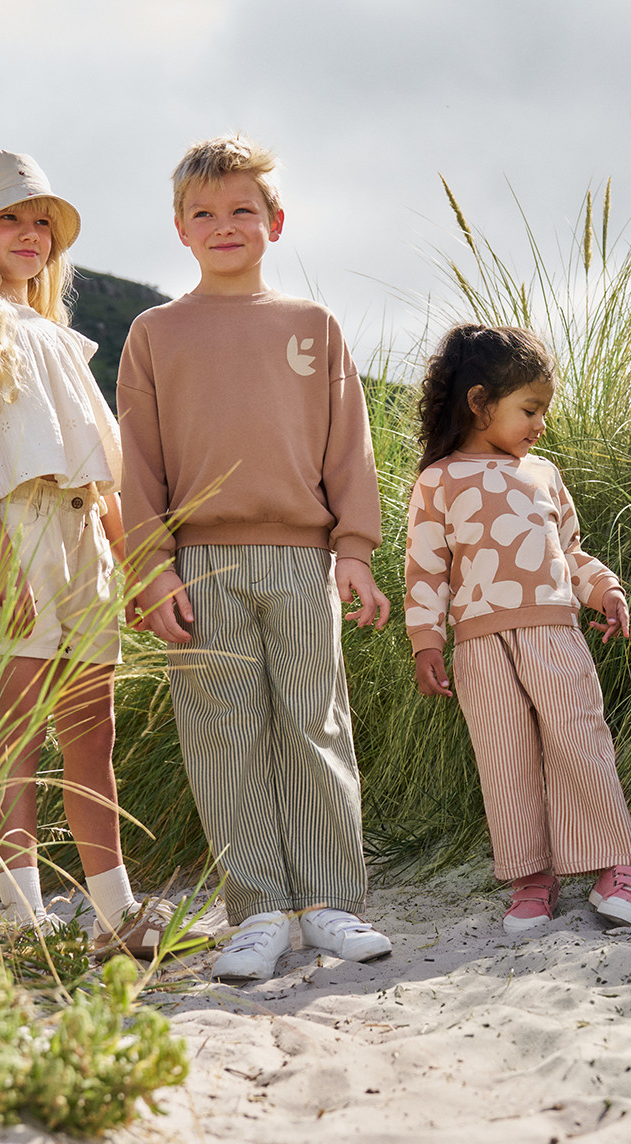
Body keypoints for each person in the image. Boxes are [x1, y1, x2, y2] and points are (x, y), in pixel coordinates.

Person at [0, 149, 208, 958]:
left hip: (82, 542)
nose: (31, 233)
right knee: (16, 738)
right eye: (11, 216)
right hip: (10, 534)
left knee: (92, 734)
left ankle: (116, 917)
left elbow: (100, 475)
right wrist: (1, 558)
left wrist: (136, 569)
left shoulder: (62, 341)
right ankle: (21, 919)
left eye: (43, 221)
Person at [117, 135, 392, 982]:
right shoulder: (154, 333)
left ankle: (330, 902)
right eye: (204, 212)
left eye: (242, 209)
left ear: (275, 221)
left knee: (316, 722)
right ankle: (260, 910)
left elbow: (350, 447)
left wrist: (354, 547)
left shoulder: (313, 325)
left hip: (302, 559)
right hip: (199, 565)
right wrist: (151, 566)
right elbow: (139, 463)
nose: (224, 224)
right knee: (222, 736)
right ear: (179, 230)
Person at [404, 323, 631, 934]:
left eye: (544, 410)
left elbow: (571, 552)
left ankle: (618, 865)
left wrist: (606, 589)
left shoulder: (543, 473)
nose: (541, 423)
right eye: (530, 409)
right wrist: (425, 642)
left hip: (554, 634)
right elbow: (425, 569)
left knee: (579, 739)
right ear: (480, 403)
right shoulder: (438, 481)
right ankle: (530, 878)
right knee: (503, 754)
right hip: (481, 646)